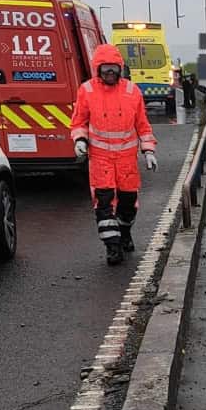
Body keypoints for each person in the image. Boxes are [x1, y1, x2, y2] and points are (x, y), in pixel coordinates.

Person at [69, 44, 157, 265]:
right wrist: (79, 140)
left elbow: (143, 125)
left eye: (114, 68)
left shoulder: (132, 91)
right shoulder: (87, 90)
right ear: (98, 69)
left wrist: (148, 151)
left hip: (127, 161)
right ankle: (113, 247)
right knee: (104, 204)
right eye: (105, 68)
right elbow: (78, 121)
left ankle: (125, 232)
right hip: (100, 160)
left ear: (120, 68)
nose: (110, 72)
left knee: (128, 204)